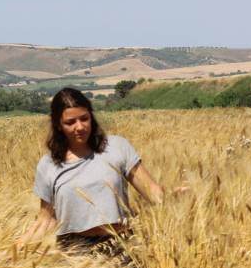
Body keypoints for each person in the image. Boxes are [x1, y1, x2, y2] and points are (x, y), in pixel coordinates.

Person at [17, 87, 169, 256]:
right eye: (70, 122)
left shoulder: (117, 147)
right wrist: (16, 249)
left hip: (123, 246)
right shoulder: (48, 165)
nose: (80, 127)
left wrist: (179, 199)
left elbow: (152, 192)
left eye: (84, 118)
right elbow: (46, 220)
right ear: (58, 125)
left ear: (91, 116)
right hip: (75, 253)